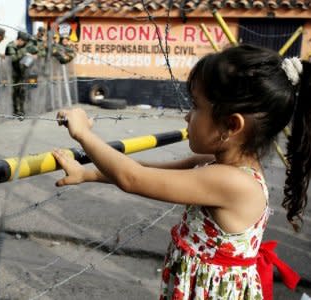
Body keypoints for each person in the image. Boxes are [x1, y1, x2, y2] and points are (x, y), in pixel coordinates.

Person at [52, 45, 309, 299]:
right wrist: (87, 174)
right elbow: (147, 173)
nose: (187, 117)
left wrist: (83, 133)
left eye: (196, 106)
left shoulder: (233, 182)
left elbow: (132, 178)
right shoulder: (217, 165)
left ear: (231, 125)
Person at [5, 31, 38, 115]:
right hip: (13, 73)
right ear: (20, 40)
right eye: (24, 42)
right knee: (15, 92)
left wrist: (30, 56)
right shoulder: (11, 46)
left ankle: (22, 110)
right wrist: (24, 52)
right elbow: (13, 58)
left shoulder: (20, 47)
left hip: (21, 72)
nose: (24, 44)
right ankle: (15, 110)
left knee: (22, 91)